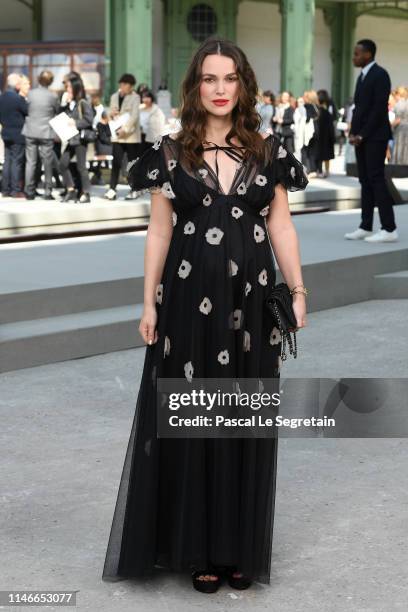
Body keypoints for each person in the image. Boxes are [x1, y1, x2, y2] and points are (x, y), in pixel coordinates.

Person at [102, 37, 308, 594]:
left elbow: (281, 225)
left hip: (252, 305)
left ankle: (237, 545)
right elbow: (161, 229)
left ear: (243, 85)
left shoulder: (268, 151)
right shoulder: (170, 153)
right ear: (195, 86)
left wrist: (297, 289)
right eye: (209, 79)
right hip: (189, 304)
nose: (219, 89)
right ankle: (198, 548)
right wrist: (147, 300)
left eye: (229, 79)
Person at [345, 38, 398, 242]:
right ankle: (366, 225)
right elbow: (359, 108)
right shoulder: (362, 77)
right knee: (365, 180)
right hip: (362, 137)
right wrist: (353, 133)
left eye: (357, 53)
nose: (354, 57)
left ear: (368, 54)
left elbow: (378, 109)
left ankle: (389, 228)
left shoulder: (380, 75)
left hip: (375, 136)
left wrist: (363, 134)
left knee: (376, 179)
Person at [21, 70, 59, 200]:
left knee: (30, 162)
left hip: (30, 130)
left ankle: (29, 191)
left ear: (38, 79)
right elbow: (56, 111)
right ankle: (48, 191)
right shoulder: (53, 96)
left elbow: (27, 109)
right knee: (47, 162)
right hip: (46, 132)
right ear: (51, 81)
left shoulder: (31, 94)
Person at [104, 73, 141, 201]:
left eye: (125, 84)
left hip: (130, 136)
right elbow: (109, 113)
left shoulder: (135, 97)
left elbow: (134, 116)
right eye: (121, 84)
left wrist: (124, 130)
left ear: (131, 86)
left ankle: (134, 189)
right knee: (116, 163)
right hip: (117, 135)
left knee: (132, 164)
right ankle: (112, 189)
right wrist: (111, 113)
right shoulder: (114, 96)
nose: (122, 86)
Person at [59, 73, 94, 203]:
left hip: (80, 138)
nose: (67, 90)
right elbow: (62, 116)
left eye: (68, 87)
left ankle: (86, 193)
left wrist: (76, 123)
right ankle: (71, 190)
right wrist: (64, 104)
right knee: (62, 164)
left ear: (75, 88)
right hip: (71, 138)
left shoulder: (83, 102)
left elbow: (89, 120)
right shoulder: (70, 103)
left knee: (81, 166)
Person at [0, 73, 27, 198]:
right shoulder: (18, 99)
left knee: (7, 161)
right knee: (17, 162)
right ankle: (15, 190)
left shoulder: (2, 97)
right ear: (17, 85)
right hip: (18, 134)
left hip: (6, 132)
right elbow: (27, 111)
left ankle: (5, 189)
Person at [316, 89, 335, 178]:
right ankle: (327, 171)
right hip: (327, 136)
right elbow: (331, 126)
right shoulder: (328, 112)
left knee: (319, 153)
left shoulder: (316, 112)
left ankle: (319, 170)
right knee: (327, 155)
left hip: (318, 136)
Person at [139, 90, 166, 154]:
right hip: (140, 135)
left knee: (150, 154)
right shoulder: (140, 108)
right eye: (144, 97)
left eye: (148, 97)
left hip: (151, 137)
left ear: (151, 98)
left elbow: (160, 123)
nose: (145, 99)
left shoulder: (156, 109)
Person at [391, 86, 408, 165]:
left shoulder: (399, 104)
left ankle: (400, 166)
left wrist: (390, 126)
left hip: (401, 129)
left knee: (400, 147)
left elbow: (398, 119)